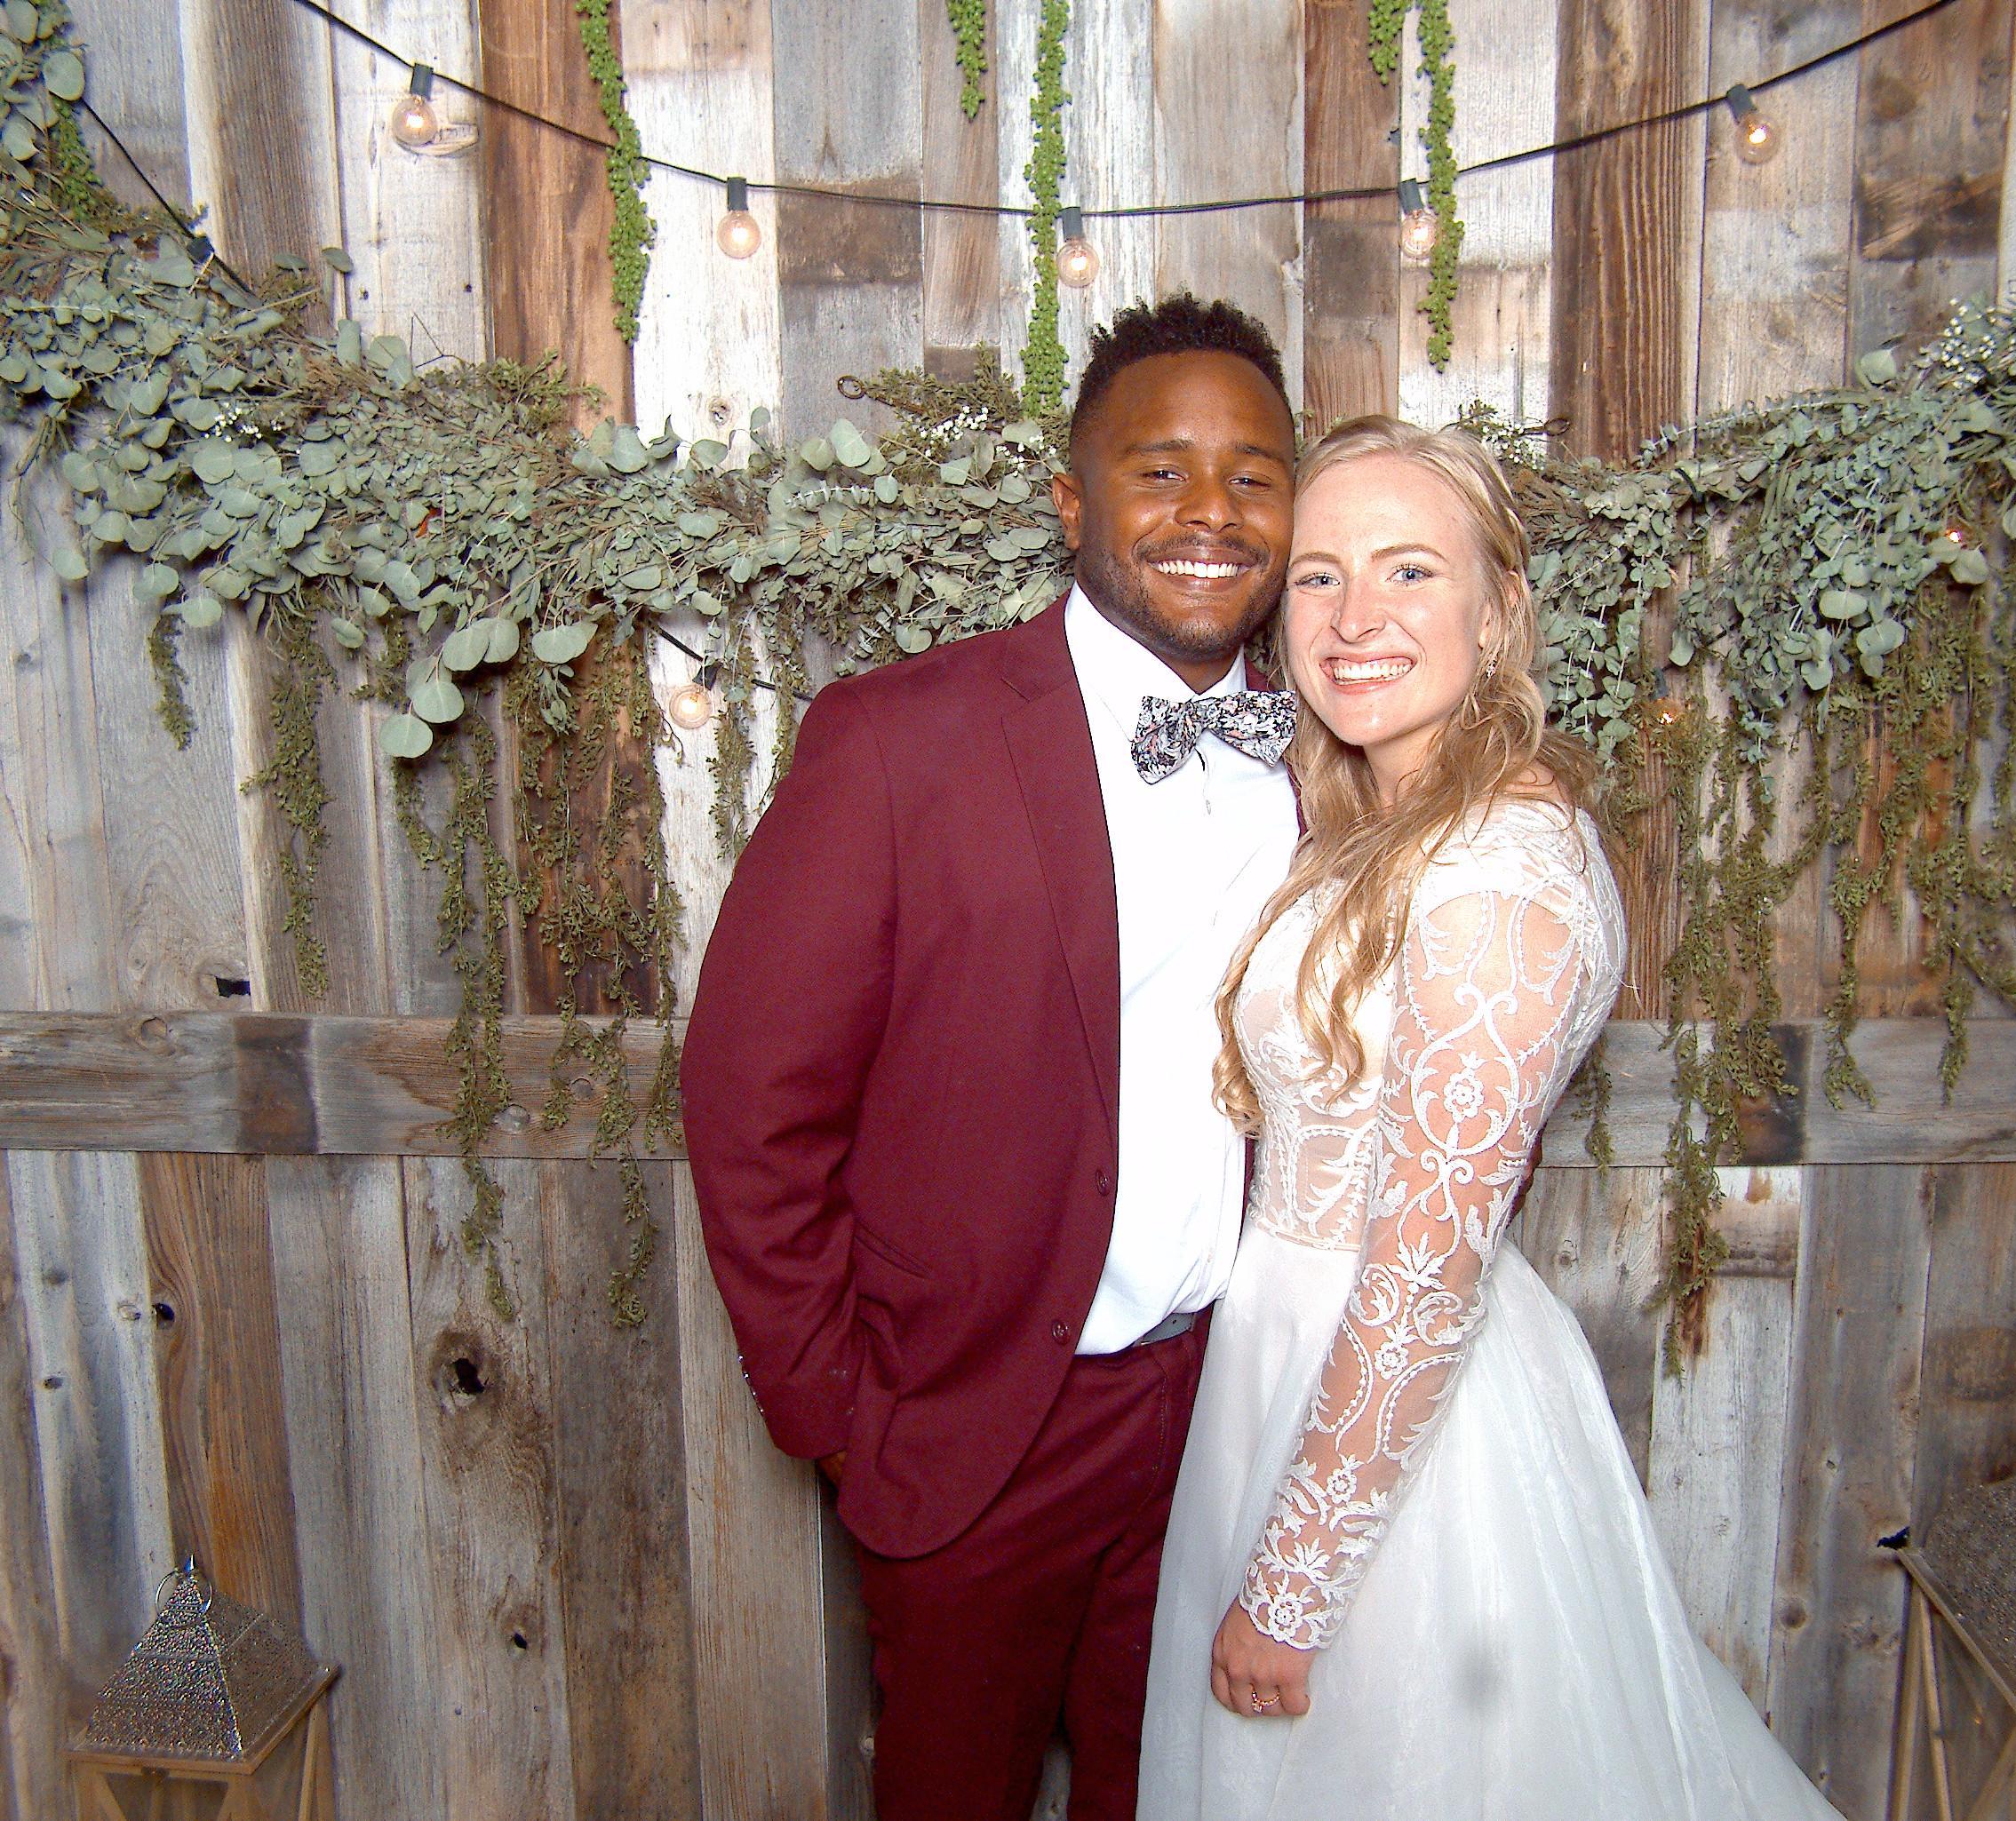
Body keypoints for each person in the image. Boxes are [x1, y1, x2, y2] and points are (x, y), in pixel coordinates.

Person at [1138, 417, 1845, 1820]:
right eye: (1321, 575)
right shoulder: (1375, 826)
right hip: (1285, 1367)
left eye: (1410, 570)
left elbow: (1424, 1266)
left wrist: (1293, 1586)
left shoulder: (1503, 869)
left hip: (1407, 1433)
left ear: (1500, 609)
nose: (1355, 618)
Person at [679, 295, 1304, 1821]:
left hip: (1224, 1415)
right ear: (1073, 502)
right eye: (1159, 471)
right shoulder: (901, 740)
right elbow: (753, 1104)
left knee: (1184, 1796)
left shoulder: (1319, 758)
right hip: (978, 1427)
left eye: (1254, 476)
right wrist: (845, 1414)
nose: (1211, 512)